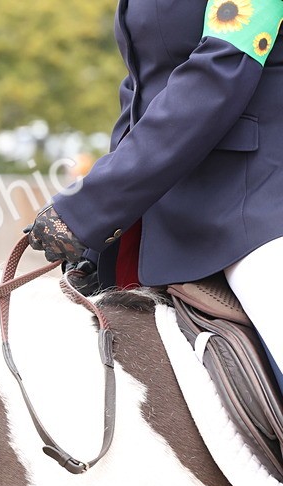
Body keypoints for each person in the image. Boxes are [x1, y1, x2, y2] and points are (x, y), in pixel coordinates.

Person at [26, 0, 283, 391]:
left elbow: (219, 72)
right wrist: (100, 228)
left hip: (259, 206)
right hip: (169, 212)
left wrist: (91, 207)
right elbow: (141, 94)